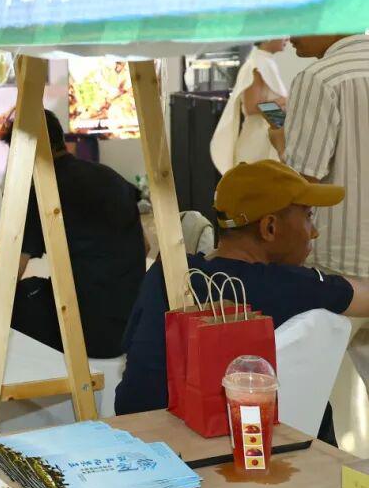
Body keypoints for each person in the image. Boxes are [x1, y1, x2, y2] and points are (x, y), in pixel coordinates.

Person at [115, 161, 369, 427]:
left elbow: (133, 360)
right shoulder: (291, 285)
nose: (314, 232)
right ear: (270, 228)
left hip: (136, 431)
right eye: (308, 216)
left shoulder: (165, 274)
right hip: (243, 442)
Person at [0, 110, 145, 358]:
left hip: (86, 331)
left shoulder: (42, 190)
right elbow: (146, 245)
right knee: (37, 290)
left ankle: (21, 378)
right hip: (133, 324)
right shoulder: (110, 177)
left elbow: (9, 275)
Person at [278, 34, 369, 279]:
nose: (291, 35)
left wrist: (280, 143)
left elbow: (301, 181)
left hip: (342, 259)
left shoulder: (319, 78)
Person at [210, 38, 289, 174]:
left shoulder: (266, 62)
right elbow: (252, 106)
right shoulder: (256, 65)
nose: (287, 38)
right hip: (257, 143)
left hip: (268, 139)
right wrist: (286, 101)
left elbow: (273, 111)